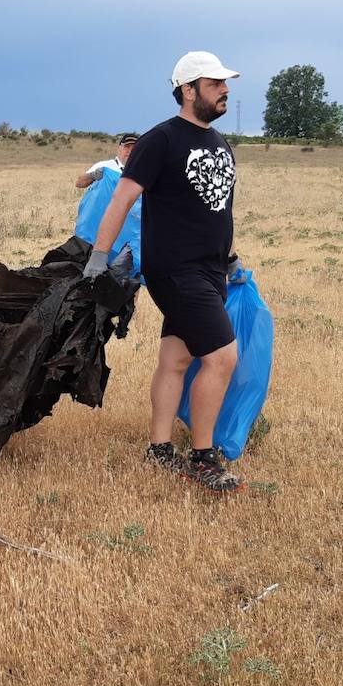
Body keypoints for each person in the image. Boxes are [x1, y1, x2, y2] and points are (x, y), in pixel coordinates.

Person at [84, 52, 246, 493]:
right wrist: (100, 256)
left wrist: (230, 259)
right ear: (188, 90)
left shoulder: (219, 142)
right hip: (175, 269)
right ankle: (202, 457)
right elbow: (122, 198)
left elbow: (219, 209)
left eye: (224, 83)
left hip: (210, 268)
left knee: (177, 358)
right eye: (214, 84)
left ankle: (158, 448)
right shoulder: (161, 140)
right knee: (222, 357)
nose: (225, 90)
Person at [73, 132, 138, 189]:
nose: (130, 151)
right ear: (119, 149)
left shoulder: (140, 171)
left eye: (134, 148)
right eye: (127, 147)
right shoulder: (105, 166)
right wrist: (93, 176)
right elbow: (79, 183)